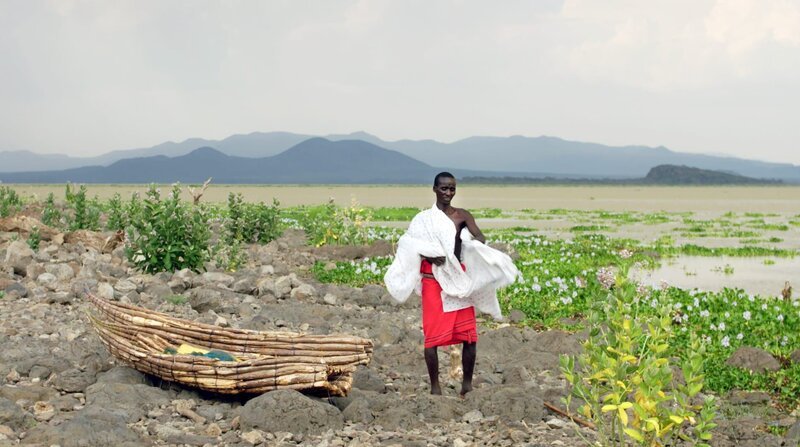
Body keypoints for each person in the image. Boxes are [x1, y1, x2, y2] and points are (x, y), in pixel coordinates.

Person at [384, 172, 519, 396]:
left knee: (469, 336)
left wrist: (467, 246)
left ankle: (467, 384)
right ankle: (435, 387)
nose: (448, 193)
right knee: (432, 336)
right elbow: (408, 243)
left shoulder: (462, 216)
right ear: (435, 189)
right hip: (433, 282)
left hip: (458, 279)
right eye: (444, 188)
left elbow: (480, 238)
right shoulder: (423, 219)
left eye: (452, 189)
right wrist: (428, 256)